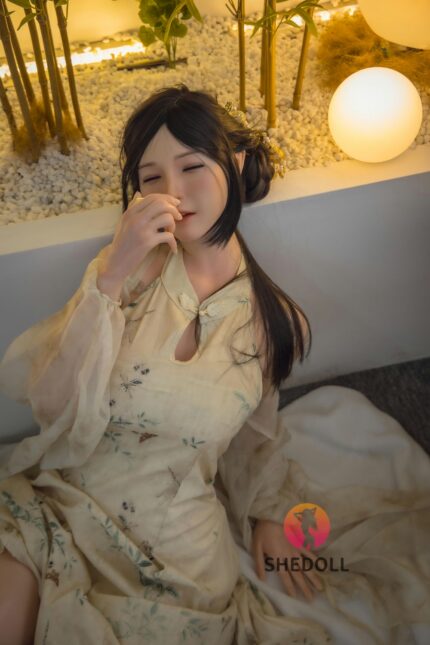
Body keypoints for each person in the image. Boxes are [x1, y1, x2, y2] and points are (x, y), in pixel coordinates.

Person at [0, 83, 429, 645]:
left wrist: (269, 513)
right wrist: (111, 276)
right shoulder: (129, 269)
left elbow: (255, 432)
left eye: (191, 166)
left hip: (179, 547)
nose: (173, 193)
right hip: (66, 501)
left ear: (237, 163)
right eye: (151, 178)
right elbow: (51, 400)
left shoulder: (273, 323)